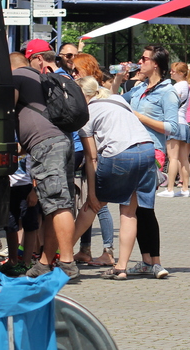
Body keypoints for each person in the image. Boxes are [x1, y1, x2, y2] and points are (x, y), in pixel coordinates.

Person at [73, 77, 162, 280]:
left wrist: (94, 194)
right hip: (147, 150)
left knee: (92, 205)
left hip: (120, 154)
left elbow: (91, 157)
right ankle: (121, 267)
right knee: (129, 212)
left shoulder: (85, 114)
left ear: (81, 96)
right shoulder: (118, 100)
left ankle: (63, 256)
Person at [13, 39, 78, 280]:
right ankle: (45, 262)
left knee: (58, 204)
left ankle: (68, 263)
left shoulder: (18, 75)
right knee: (53, 205)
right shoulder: (47, 79)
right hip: (63, 141)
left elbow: (6, 110)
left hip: (46, 145)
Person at [119, 45, 177, 278]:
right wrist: (116, 80)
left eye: (144, 59)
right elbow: (116, 102)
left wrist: (141, 117)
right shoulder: (138, 88)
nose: (139, 62)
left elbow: (172, 127)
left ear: (156, 64)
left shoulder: (167, 92)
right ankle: (148, 262)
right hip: (133, 150)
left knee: (144, 207)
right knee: (140, 209)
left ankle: (156, 262)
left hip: (152, 153)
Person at [71, 53, 115, 267]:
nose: (72, 73)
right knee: (89, 202)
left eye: (75, 68)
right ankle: (84, 249)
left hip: (97, 155)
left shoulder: (94, 97)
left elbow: (93, 155)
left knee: (98, 203)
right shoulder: (100, 94)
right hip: (90, 153)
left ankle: (108, 249)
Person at [160, 62, 190, 198]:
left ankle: (170, 188)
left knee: (172, 157)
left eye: (173, 71)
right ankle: (185, 188)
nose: (171, 73)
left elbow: (171, 103)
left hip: (174, 122)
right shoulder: (187, 86)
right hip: (184, 123)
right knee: (184, 158)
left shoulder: (177, 87)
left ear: (181, 73)